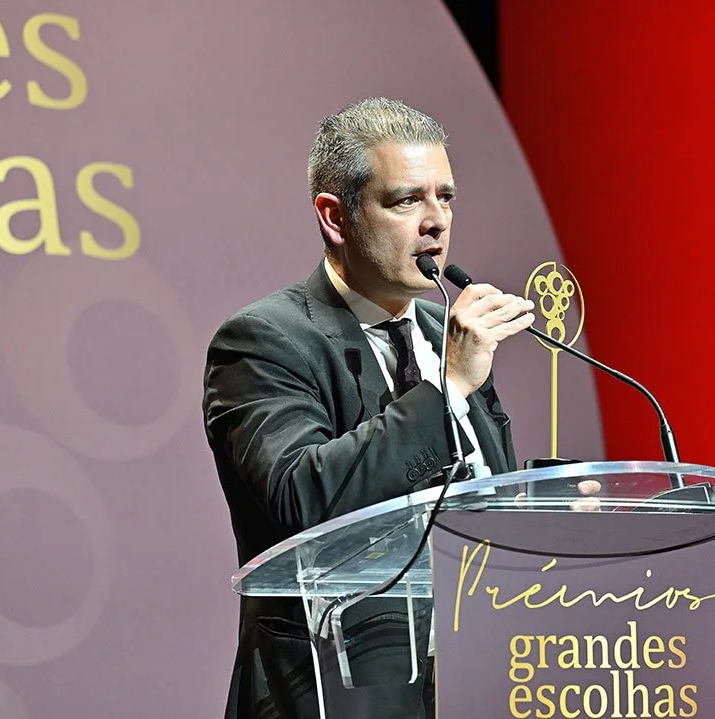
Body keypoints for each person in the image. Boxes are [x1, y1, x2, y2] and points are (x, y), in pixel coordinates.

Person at [202, 97, 535, 719]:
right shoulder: (264, 340)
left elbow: (484, 505)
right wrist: (446, 390)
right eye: (407, 200)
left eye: (446, 198)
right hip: (331, 691)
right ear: (336, 217)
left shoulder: (445, 336)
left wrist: (557, 517)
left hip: (473, 684)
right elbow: (302, 497)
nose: (436, 222)